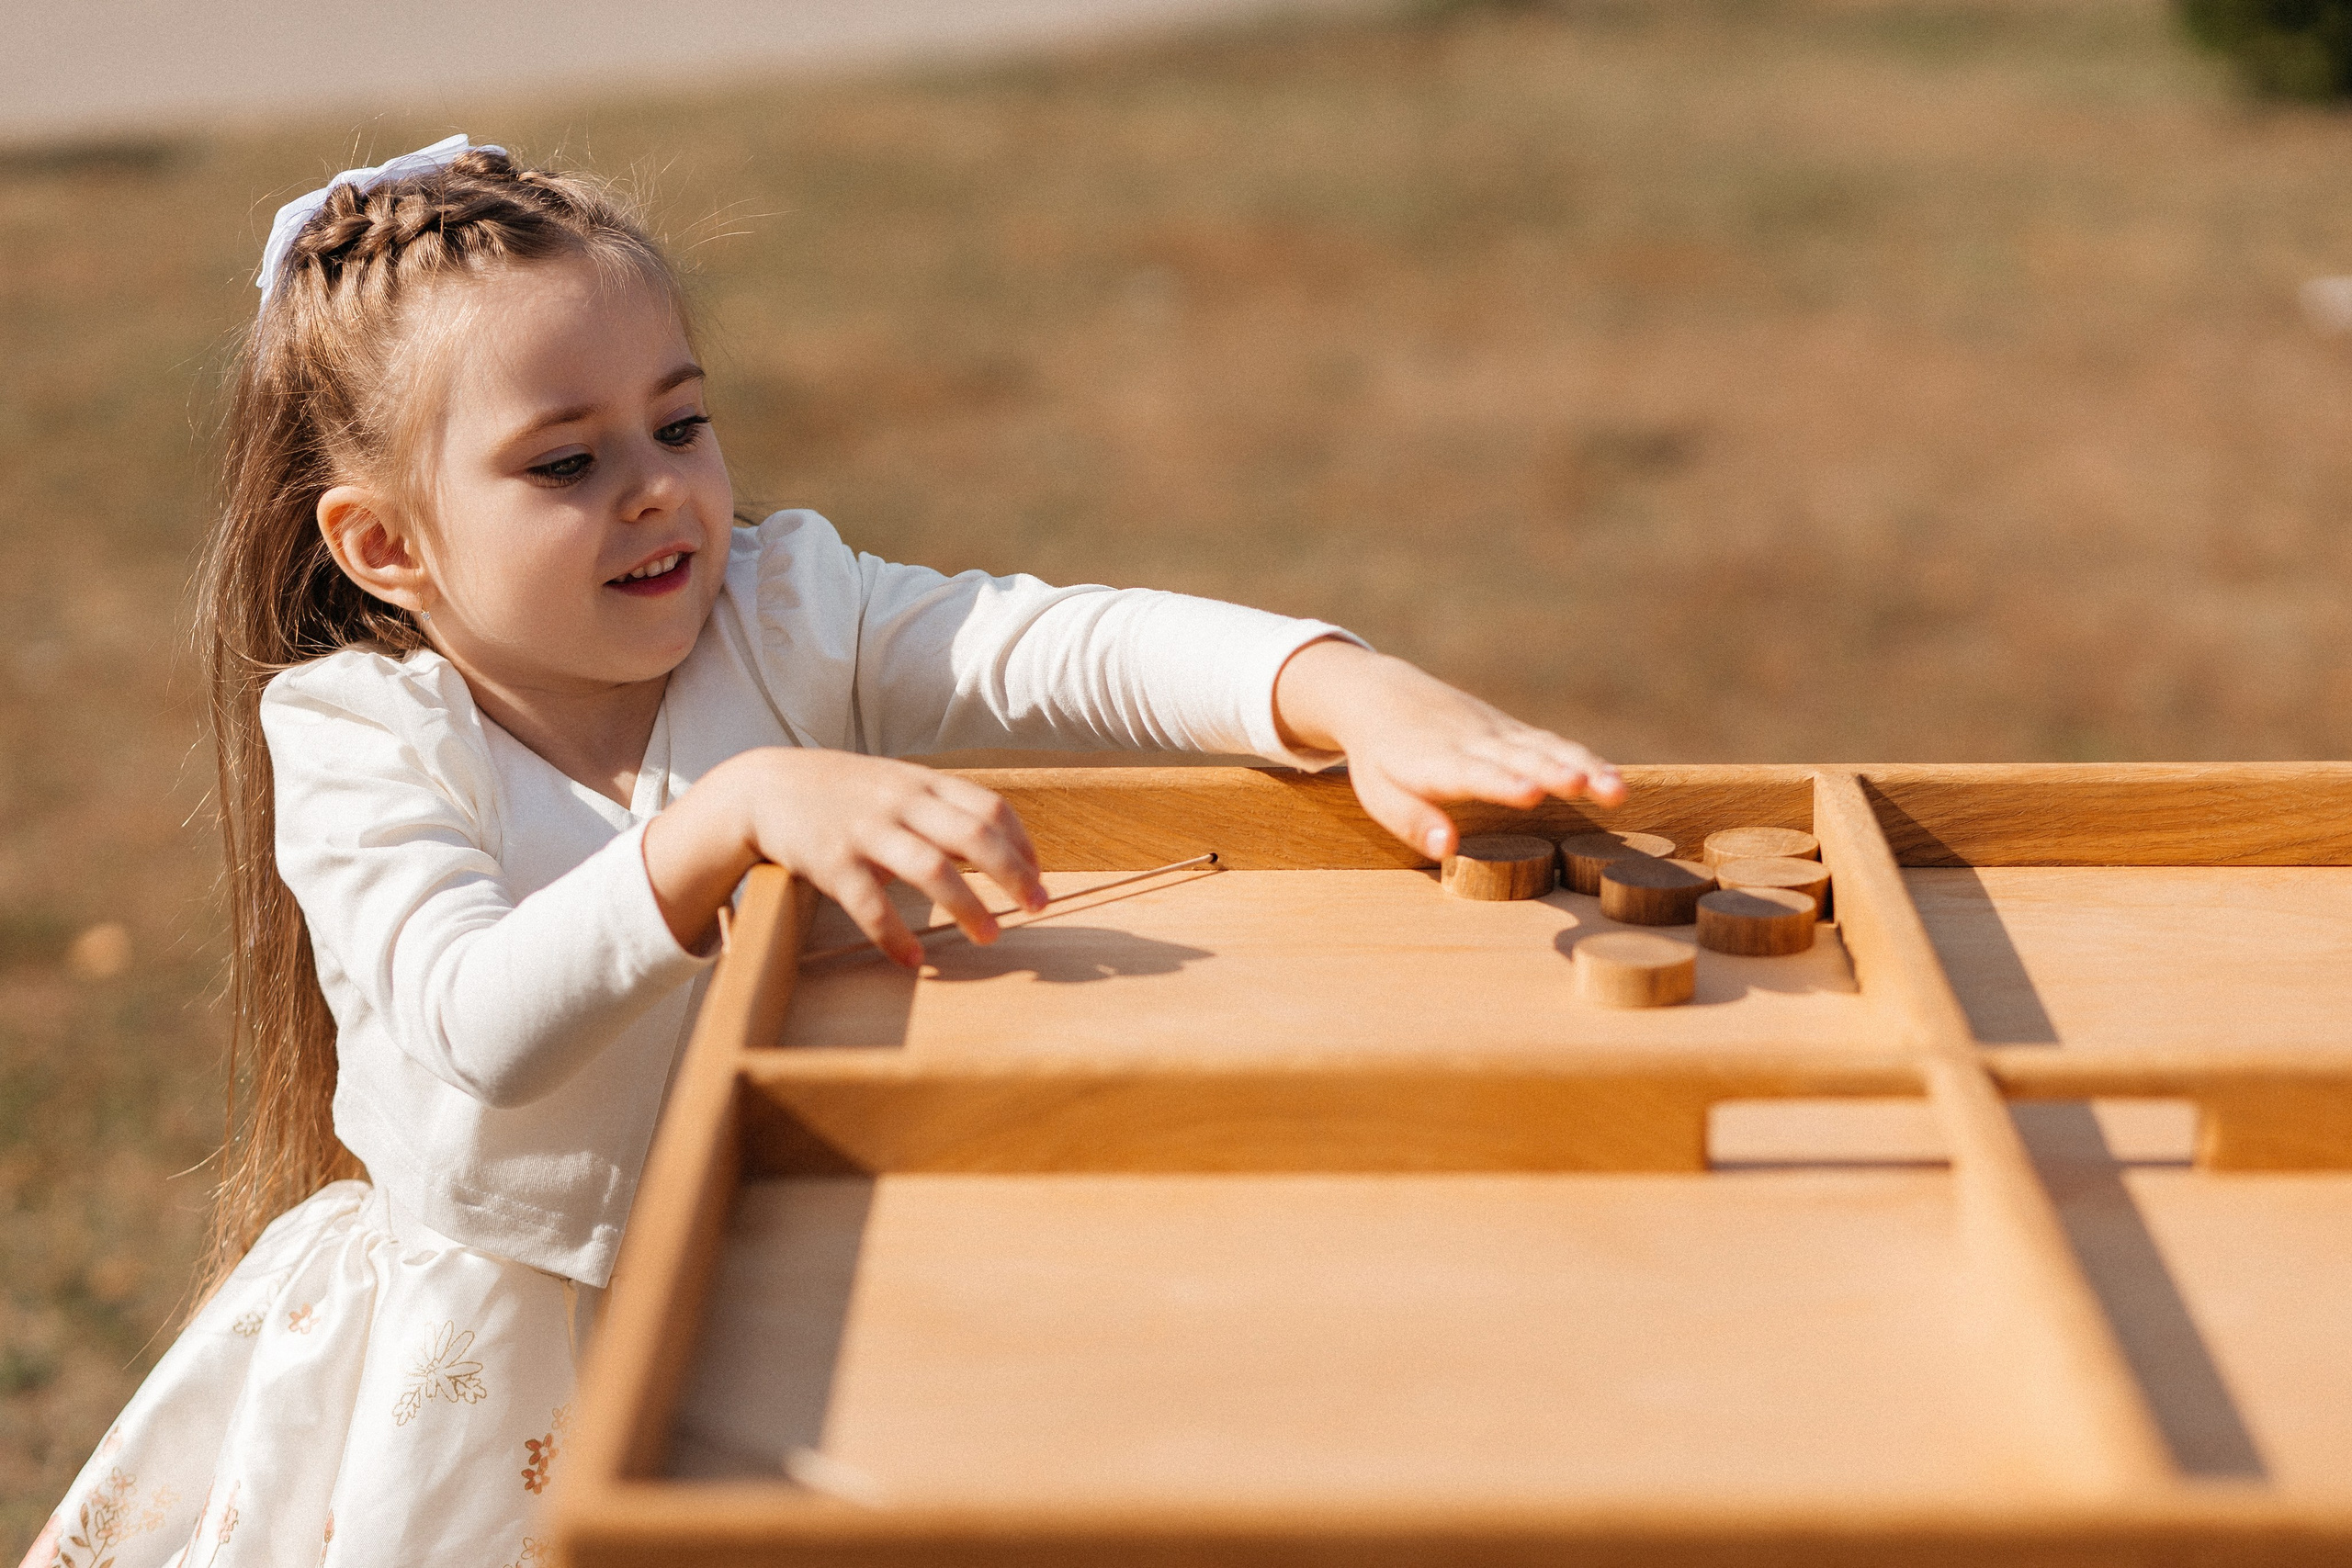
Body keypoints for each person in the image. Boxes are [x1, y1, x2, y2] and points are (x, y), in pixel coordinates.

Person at [19, 136, 1623, 1567]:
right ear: (385, 543)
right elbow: (472, 1022)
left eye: (682, 422)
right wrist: (730, 821)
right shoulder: (362, 736)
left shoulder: (782, 611)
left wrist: (1347, 690)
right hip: (491, 1382)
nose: (659, 492)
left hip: (800, 1292)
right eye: (567, 462)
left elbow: (1057, 645)